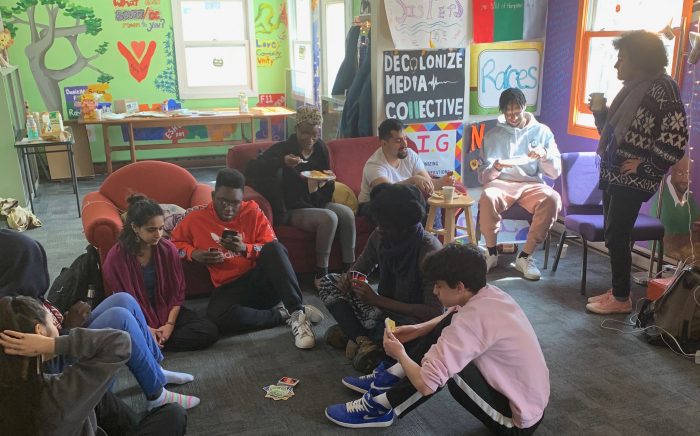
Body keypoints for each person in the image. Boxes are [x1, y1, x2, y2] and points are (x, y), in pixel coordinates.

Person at [324, 244, 550, 434]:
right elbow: (451, 317)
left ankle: (380, 407)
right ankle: (390, 378)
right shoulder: (490, 294)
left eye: (439, 286)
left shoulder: (469, 324)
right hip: (529, 399)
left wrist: (401, 355)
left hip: (515, 420)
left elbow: (426, 385)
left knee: (444, 371)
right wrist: (417, 329)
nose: (434, 292)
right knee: (447, 332)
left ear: (460, 286)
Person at [0, 229, 201, 414]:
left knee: (123, 299)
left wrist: (68, 323)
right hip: (63, 374)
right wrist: (70, 326)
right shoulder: (11, 316)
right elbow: (44, 365)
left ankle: (155, 370)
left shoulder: (20, 294)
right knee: (119, 318)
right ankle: (157, 394)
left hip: (65, 341)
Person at [587, 30, 688, 314]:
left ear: (640, 60)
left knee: (616, 235)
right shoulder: (632, 88)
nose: (617, 66)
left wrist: (646, 166)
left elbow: (676, 138)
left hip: (632, 179)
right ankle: (619, 290)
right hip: (614, 174)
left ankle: (621, 299)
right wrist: (600, 113)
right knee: (613, 234)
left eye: (622, 59)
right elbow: (618, 136)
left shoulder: (663, 88)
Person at [170, 168, 324, 349]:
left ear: (241, 199)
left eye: (235, 203)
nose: (229, 208)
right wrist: (192, 253)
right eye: (223, 201)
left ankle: (297, 312)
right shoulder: (196, 219)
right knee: (215, 318)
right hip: (228, 287)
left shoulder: (252, 211)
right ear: (213, 196)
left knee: (275, 248)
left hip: (260, 281)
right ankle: (284, 315)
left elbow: (271, 248)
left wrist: (245, 249)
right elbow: (172, 245)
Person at [0, 296, 188, 436]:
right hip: (66, 414)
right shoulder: (58, 393)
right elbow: (120, 343)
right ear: (39, 333)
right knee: (173, 414)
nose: (57, 326)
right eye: (52, 321)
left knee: (101, 398)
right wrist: (53, 344)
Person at [318, 183, 443, 372]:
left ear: (404, 227)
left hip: (410, 320)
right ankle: (364, 340)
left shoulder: (428, 251)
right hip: (381, 311)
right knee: (329, 282)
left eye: (386, 226)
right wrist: (350, 279)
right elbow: (360, 268)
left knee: (415, 338)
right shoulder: (380, 236)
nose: (380, 229)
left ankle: (356, 333)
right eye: (379, 224)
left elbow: (434, 313)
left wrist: (377, 300)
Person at [249, 106, 356, 288]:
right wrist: (282, 163)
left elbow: (326, 180)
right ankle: (321, 274)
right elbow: (253, 169)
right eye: (305, 133)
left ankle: (350, 270)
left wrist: (327, 180)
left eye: (315, 134)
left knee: (346, 214)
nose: (310, 139)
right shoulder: (283, 150)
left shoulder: (321, 148)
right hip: (293, 207)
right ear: (296, 129)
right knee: (329, 218)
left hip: (317, 201)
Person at [103, 195, 219, 352]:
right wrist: (146, 328)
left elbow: (177, 294)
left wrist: (169, 325)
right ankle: (151, 339)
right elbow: (122, 302)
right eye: (151, 230)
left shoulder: (168, 249)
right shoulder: (117, 258)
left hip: (166, 309)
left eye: (161, 228)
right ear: (135, 227)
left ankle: (155, 341)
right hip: (135, 317)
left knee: (208, 331)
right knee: (116, 336)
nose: (158, 235)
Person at [477, 88, 562, 281]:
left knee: (552, 198)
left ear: (524, 107)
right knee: (488, 196)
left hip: (531, 184)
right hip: (501, 183)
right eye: (507, 112)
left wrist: (545, 155)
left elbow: (555, 172)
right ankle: (491, 252)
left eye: (516, 111)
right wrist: (496, 167)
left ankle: (525, 256)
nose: (512, 116)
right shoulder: (492, 136)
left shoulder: (542, 132)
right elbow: (484, 177)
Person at [356, 118, 454, 217]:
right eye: (398, 141)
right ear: (384, 143)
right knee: (406, 206)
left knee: (430, 202)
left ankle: (432, 232)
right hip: (372, 205)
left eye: (405, 138)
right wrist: (413, 180)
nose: (405, 144)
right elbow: (386, 193)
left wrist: (443, 182)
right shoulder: (374, 164)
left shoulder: (410, 155)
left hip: (402, 200)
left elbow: (428, 183)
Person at [650, 155, 699, 261]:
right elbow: (665, 243)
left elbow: (696, 218)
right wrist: (693, 236)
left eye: (688, 173)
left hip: (684, 255)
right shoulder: (661, 196)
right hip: (662, 258)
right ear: (672, 171)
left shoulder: (687, 196)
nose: (685, 179)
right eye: (680, 173)